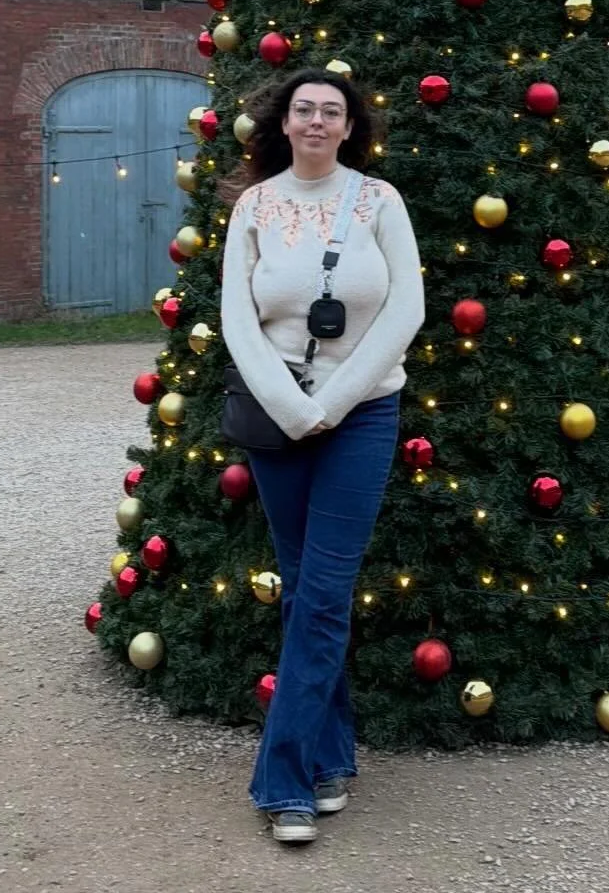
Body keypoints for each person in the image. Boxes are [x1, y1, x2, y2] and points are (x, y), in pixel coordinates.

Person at [219, 68, 426, 845]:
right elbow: (238, 317)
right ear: (284, 123)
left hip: (363, 416)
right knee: (307, 588)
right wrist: (292, 406)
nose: (315, 121)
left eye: (329, 112)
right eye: (303, 109)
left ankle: (283, 781)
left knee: (328, 591)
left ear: (349, 127)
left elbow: (408, 307)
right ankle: (332, 755)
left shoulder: (379, 202)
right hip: (277, 422)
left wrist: (331, 407)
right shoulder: (256, 206)